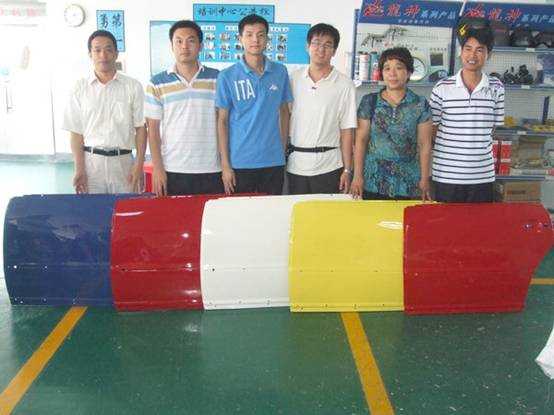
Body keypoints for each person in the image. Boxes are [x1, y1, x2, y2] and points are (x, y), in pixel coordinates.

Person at [216, 14, 293, 195]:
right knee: (241, 212)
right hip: (240, 162)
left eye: (260, 35)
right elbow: (222, 121)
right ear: (240, 38)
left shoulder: (280, 71)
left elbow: (284, 112)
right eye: (249, 34)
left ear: (267, 39)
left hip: (273, 161)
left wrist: (281, 150)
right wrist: (225, 165)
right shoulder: (227, 76)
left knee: (271, 211)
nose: (255, 40)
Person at [63, 30, 146, 194]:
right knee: (92, 210)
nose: (103, 55)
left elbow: (141, 128)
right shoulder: (80, 88)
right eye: (97, 50)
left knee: (126, 208)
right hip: (92, 165)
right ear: (90, 54)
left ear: (116, 53)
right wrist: (79, 168)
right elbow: (76, 133)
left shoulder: (133, 86)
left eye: (108, 49)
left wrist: (139, 165)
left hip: (123, 163)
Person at [145, 20, 222, 196]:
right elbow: (153, 130)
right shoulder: (157, 83)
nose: (184, 46)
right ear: (171, 46)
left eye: (191, 40)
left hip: (212, 167)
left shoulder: (217, 79)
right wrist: (158, 168)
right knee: (175, 214)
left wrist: (225, 164)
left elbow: (224, 122)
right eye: (178, 41)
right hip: (173, 168)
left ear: (201, 46)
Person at [430, 25, 504, 202]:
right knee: (446, 220)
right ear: (461, 52)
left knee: (479, 220)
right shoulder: (442, 87)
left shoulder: (497, 87)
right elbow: (433, 129)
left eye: (480, 50)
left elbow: (492, 128)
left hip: (482, 176)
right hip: (446, 174)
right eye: (468, 49)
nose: (473, 55)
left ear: (488, 54)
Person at [351, 47, 433, 200]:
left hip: (408, 183)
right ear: (382, 73)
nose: (392, 74)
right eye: (387, 68)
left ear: (409, 72)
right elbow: (361, 140)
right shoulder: (369, 101)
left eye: (399, 68)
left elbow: (425, 144)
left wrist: (424, 179)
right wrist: (357, 176)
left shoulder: (420, 104)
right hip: (372, 181)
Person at [287, 23, 356, 194]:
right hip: (296, 165)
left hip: (330, 166)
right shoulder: (293, 79)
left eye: (327, 45)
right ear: (307, 46)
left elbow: (347, 130)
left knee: (326, 211)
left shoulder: (345, 84)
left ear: (334, 51)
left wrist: (348, 169)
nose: (321, 49)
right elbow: (284, 118)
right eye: (316, 43)